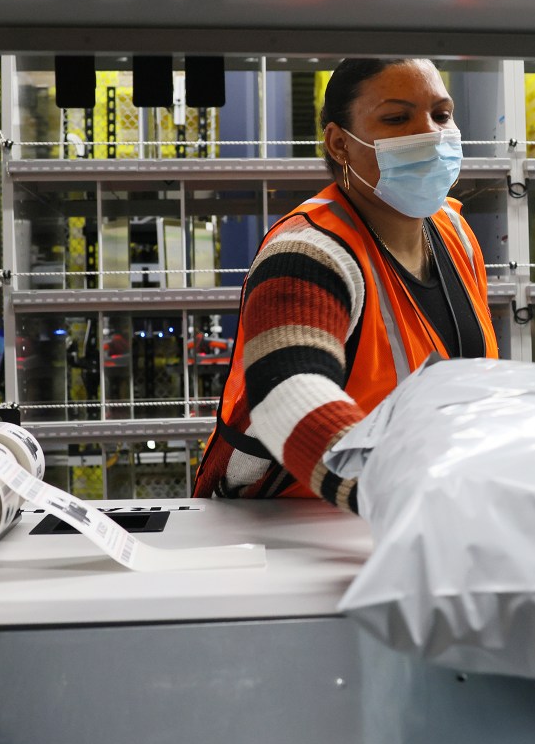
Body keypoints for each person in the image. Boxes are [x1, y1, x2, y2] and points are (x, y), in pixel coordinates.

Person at [193, 58, 499, 512]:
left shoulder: (454, 233)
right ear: (340, 144)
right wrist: (387, 487)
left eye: (442, 114)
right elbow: (289, 393)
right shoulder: (307, 252)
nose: (432, 134)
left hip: (427, 511)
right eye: (397, 118)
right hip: (291, 526)